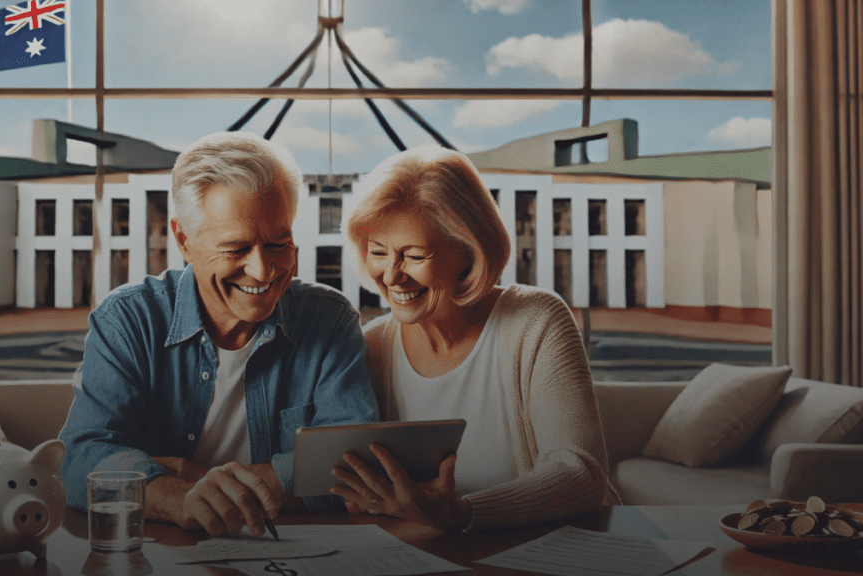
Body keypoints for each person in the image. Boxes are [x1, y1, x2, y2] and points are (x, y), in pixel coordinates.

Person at [59, 131, 378, 538]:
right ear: (183, 240)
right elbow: (83, 458)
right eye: (235, 249)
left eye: (279, 244)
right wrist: (176, 495)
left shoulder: (329, 320)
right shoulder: (127, 320)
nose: (263, 272)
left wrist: (197, 477)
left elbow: (351, 461)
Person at [334, 144, 620, 532]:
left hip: (555, 552)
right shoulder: (370, 347)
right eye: (378, 252)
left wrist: (463, 515)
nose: (391, 275)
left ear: (468, 253)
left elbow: (582, 472)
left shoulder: (536, 321)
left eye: (413, 256)